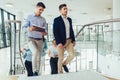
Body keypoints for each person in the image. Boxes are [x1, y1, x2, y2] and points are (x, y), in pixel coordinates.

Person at [22, 2, 47, 76]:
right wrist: (29, 29)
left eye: (42, 10)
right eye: (40, 9)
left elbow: (46, 30)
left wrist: (45, 32)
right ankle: (34, 70)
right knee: (35, 52)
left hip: (40, 40)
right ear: (36, 7)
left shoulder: (43, 19)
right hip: (31, 39)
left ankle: (36, 72)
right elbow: (23, 28)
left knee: (39, 56)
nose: (41, 11)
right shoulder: (29, 16)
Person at [53, 4, 76, 74]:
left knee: (72, 55)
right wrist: (58, 42)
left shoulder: (69, 19)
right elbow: (55, 31)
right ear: (60, 11)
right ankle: (60, 73)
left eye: (66, 9)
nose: (66, 10)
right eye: (64, 9)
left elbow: (71, 30)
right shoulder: (57, 20)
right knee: (61, 58)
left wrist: (74, 40)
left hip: (69, 40)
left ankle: (64, 64)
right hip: (61, 42)